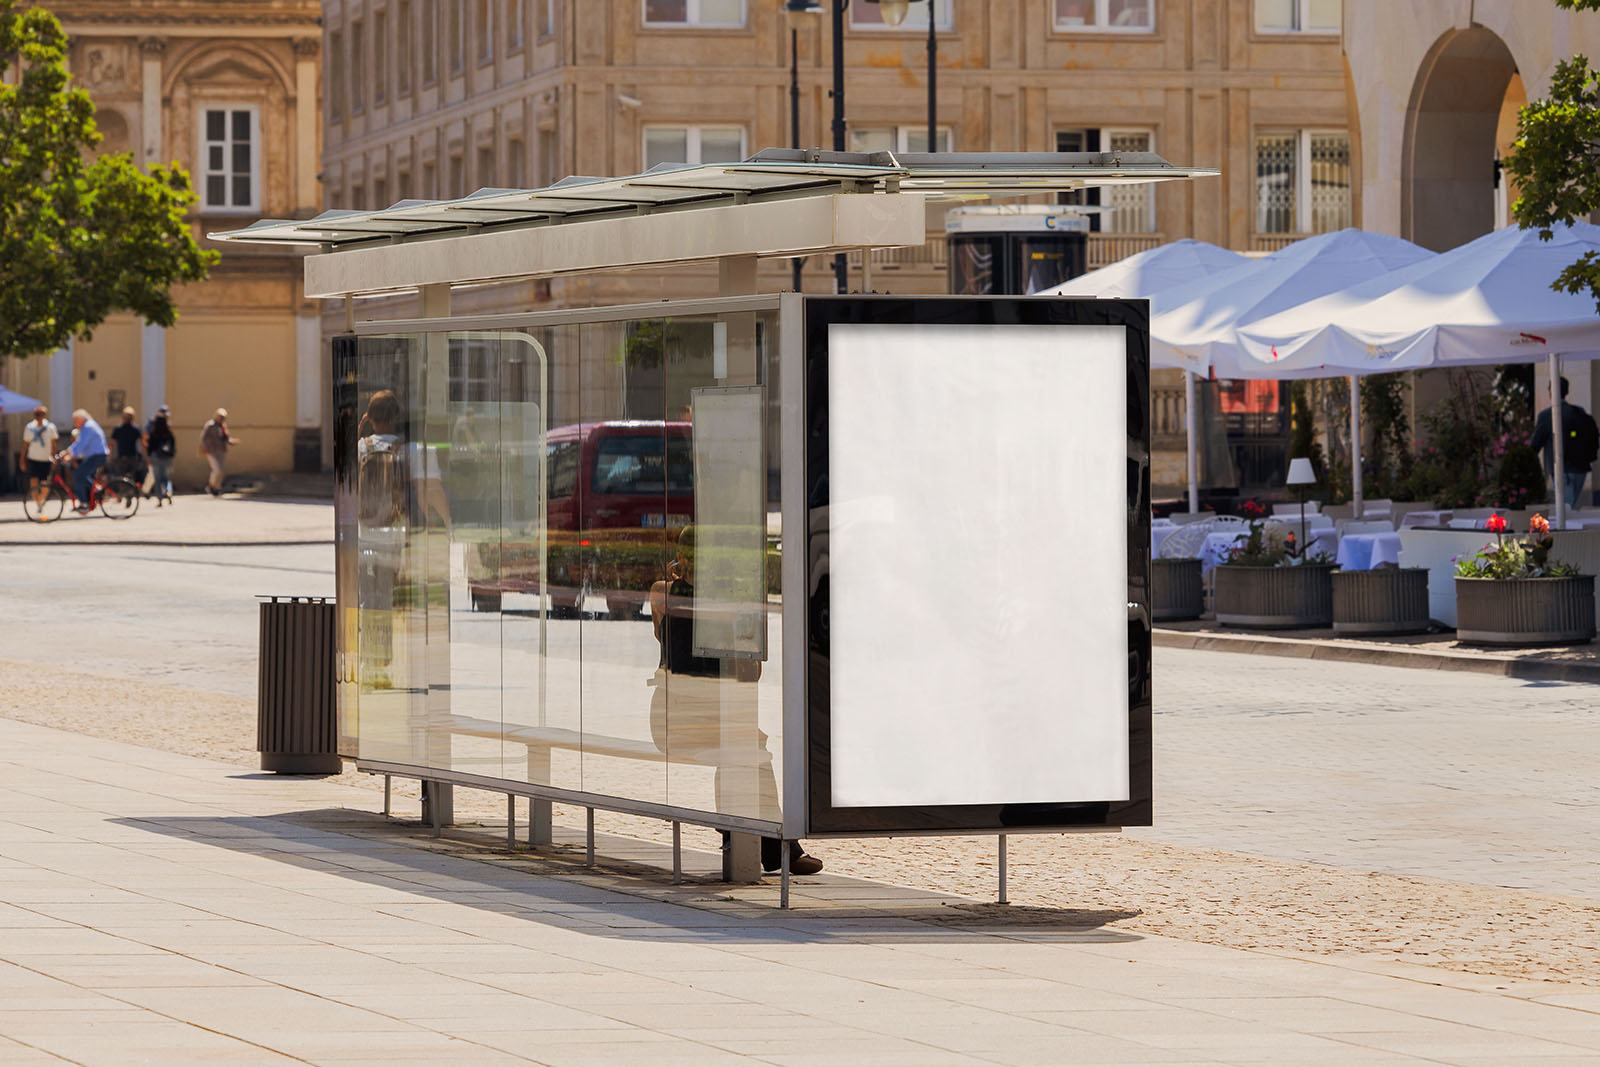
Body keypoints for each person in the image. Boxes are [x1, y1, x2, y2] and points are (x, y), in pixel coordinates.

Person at [648, 526, 823, 877]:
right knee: (747, 747)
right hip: (691, 717)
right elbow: (751, 673)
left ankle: (742, 837)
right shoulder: (722, 606)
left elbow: (661, 627)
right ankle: (766, 846)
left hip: (669, 715)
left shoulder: (662, 594)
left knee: (745, 745)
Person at [1529, 377, 1600, 509]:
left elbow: (1535, 445)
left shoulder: (1546, 415)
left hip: (1560, 468)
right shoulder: (1579, 412)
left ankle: (1564, 529)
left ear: (1551, 391)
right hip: (1580, 468)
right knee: (1569, 506)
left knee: (1565, 509)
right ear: (1566, 391)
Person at [57, 409, 108, 513]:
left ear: (81, 419)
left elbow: (81, 444)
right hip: (95, 456)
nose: (74, 423)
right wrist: (66, 452)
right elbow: (78, 443)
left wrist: (69, 456)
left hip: (97, 456)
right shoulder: (87, 426)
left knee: (78, 474)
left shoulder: (88, 427)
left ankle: (84, 504)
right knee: (83, 475)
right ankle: (97, 491)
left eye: (75, 420)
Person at [18, 406, 58, 509]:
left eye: (41, 414)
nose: (38, 417)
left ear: (45, 415)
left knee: (45, 485)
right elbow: (25, 445)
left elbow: (54, 445)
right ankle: (38, 504)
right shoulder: (30, 427)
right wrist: (22, 460)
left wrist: (54, 458)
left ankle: (40, 501)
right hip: (33, 459)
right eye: (36, 414)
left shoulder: (50, 427)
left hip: (46, 460)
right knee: (34, 484)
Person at [199, 407, 240, 496]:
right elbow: (203, 437)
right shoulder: (210, 425)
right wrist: (205, 447)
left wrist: (232, 441)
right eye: (220, 416)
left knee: (220, 471)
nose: (221, 418)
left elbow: (226, 438)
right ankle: (211, 485)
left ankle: (216, 488)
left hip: (221, 451)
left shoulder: (222, 426)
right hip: (212, 451)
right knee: (217, 469)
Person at [143, 405, 177, 506]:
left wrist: (148, 457)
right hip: (167, 457)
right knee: (165, 478)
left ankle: (159, 498)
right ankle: (168, 492)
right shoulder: (168, 432)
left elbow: (150, 446)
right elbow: (173, 445)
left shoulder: (154, 432)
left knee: (157, 478)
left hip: (156, 457)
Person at [108, 406, 144, 480]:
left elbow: (111, 444)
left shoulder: (118, 429)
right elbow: (143, 443)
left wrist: (110, 455)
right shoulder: (136, 429)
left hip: (122, 458)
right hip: (132, 458)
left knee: (121, 479)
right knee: (132, 479)